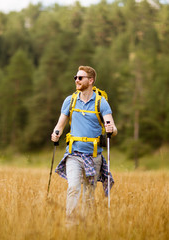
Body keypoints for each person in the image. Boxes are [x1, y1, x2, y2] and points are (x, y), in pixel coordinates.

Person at [51, 65, 117, 226]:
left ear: (91, 80)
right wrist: (55, 133)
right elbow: (60, 124)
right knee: (73, 187)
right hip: (73, 154)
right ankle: (70, 225)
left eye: (80, 78)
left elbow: (113, 128)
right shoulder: (70, 100)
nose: (77, 80)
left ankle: (87, 227)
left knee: (89, 194)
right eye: (76, 78)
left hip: (94, 157)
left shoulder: (101, 103)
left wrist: (111, 129)